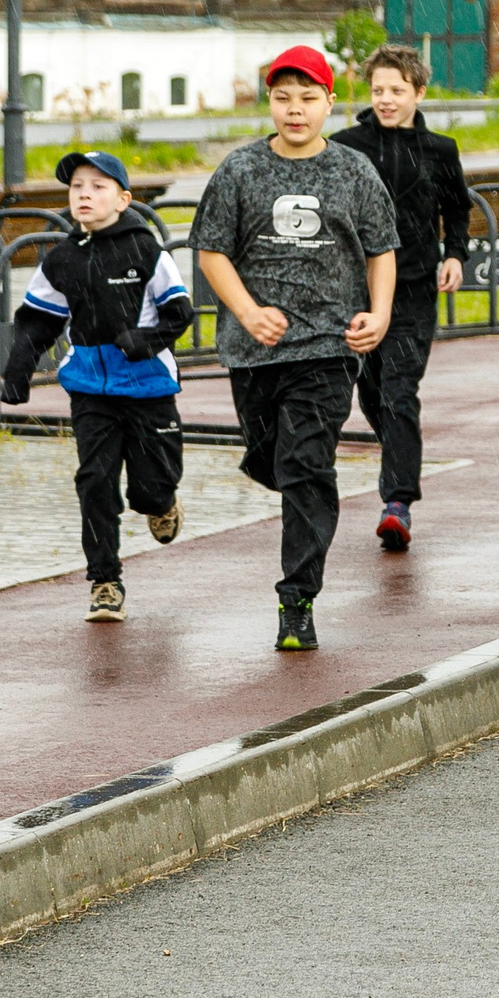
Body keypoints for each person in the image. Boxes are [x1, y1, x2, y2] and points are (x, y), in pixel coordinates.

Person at [192, 45, 398, 653]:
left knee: (307, 465)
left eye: (308, 98)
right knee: (272, 459)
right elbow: (211, 250)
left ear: (329, 102)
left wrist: (379, 314)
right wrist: (248, 312)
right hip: (254, 350)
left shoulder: (353, 171)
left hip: (329, 345)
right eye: (283, 98)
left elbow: (380, 249)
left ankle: (297, 599)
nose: (295, 109)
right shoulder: (239, 170)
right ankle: (293, 484)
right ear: (270, 103)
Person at [0, 152, 192, 621]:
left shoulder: (147, 250)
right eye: (77, 186)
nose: (84, 194)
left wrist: (143, 342)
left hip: (149, 387)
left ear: (124, 199)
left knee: (150, 484)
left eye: (98, 186)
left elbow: (179, 312)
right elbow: (36, 322)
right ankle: (105, 581)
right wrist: (18, 370)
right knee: (95, 482)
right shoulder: (61, 259)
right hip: (91, 391)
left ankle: (161, 501)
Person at [331, 45, 471, 553]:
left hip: (413, 289)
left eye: (396, 90)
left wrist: (455, 254)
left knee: (399, 391)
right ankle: (400, 456)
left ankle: (397, 502)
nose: (386, 100)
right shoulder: (344, 147)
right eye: (377, 91)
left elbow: (457, 210)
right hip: (355, 290)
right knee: (371, 395)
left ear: (419, 92)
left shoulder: (440, 149)